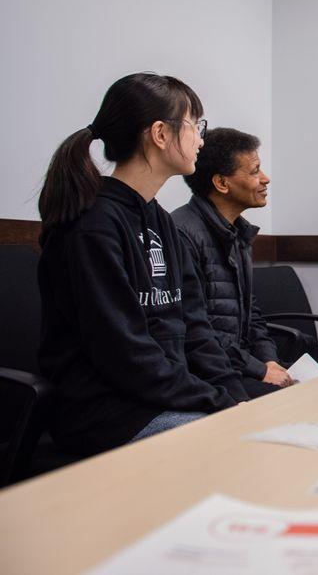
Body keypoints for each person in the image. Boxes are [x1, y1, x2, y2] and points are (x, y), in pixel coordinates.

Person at [37, 73, 249, 456]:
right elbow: (126, 356)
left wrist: (234, 395)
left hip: (161, 398)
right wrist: (215, 401)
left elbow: (195, 326)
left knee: (264, 426)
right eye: (194, 125)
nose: (201, 139)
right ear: (160, 134)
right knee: (237, 447)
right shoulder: (92, 227)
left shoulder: (161, 221)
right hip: (109, 413)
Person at [173, 127, 294, 398]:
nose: (265, 179)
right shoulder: (183, 233)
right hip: (207, 376)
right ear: (222, 183)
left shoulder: (236, 233)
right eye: (254, 171)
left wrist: (268, 360)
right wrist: (259, 370)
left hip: (238, 367)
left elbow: (252, 315)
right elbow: (198, 332)